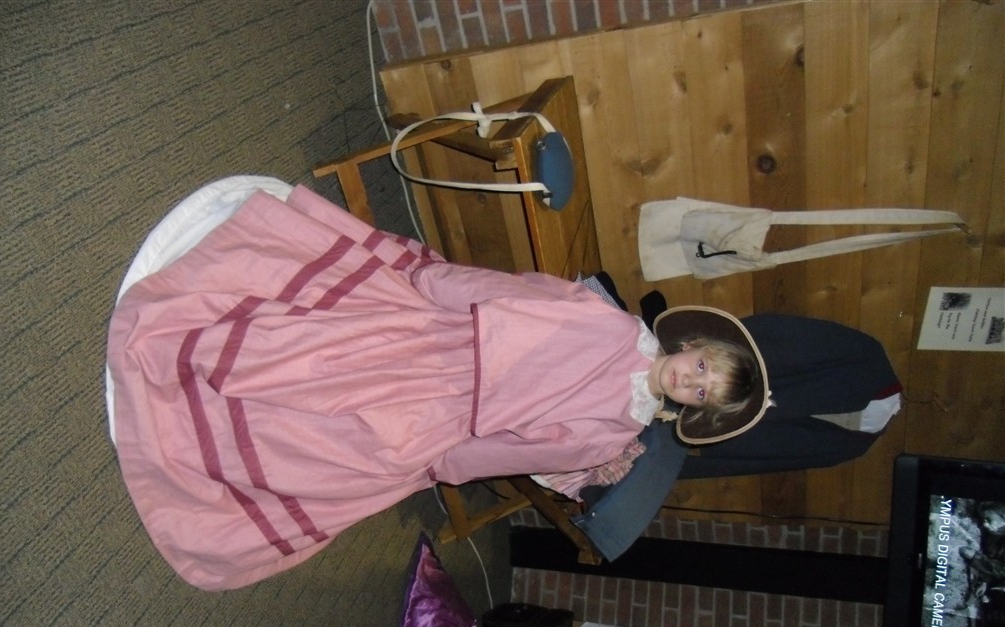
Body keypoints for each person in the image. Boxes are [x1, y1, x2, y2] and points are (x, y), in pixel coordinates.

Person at [107, 182, 767, 590]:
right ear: (694, 346)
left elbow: (513, 449)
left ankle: (219, 439)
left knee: (363, 448)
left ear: (692, 410)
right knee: (327, 355)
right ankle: (212, 355)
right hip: (449, 340)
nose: (690, 380)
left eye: (700, 393)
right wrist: (436, 284)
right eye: (701, 368)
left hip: (449, 421)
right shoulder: (608, 322)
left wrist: (442, 459)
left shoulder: (612, 435)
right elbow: (517, 295)